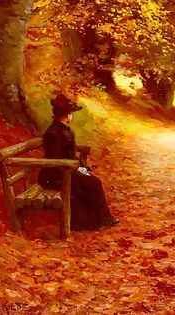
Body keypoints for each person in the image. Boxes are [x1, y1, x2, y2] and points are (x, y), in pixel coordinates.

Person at [39, 93, 118, 230]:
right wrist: (77, 170)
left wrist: (83, 169)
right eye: (71, 113)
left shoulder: (65, 130)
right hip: (56, 174)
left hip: (68, 170)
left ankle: (97, 220)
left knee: (91, 179)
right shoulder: (53, 133)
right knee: (93, 182)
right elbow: (56, 159)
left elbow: (71, 157)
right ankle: (98, 220)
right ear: (67, 115)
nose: (72, 116)